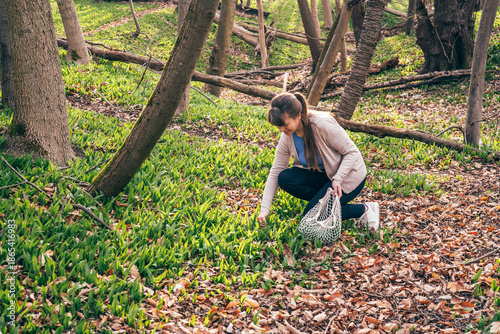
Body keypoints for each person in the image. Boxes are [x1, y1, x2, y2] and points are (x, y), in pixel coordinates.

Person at [257, 92, 379, 230]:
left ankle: (364, 209)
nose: (281, 129)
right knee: (284, 178)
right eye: (278, 126)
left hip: (348, 176)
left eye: (284, 124)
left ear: (298, 115)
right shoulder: (287, 136)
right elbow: (277, 169)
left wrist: (338, 178)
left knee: (310, 216)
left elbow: (352, 152)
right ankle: (322, 205)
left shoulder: (322, 125)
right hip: (324, 176)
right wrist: (264, 209)